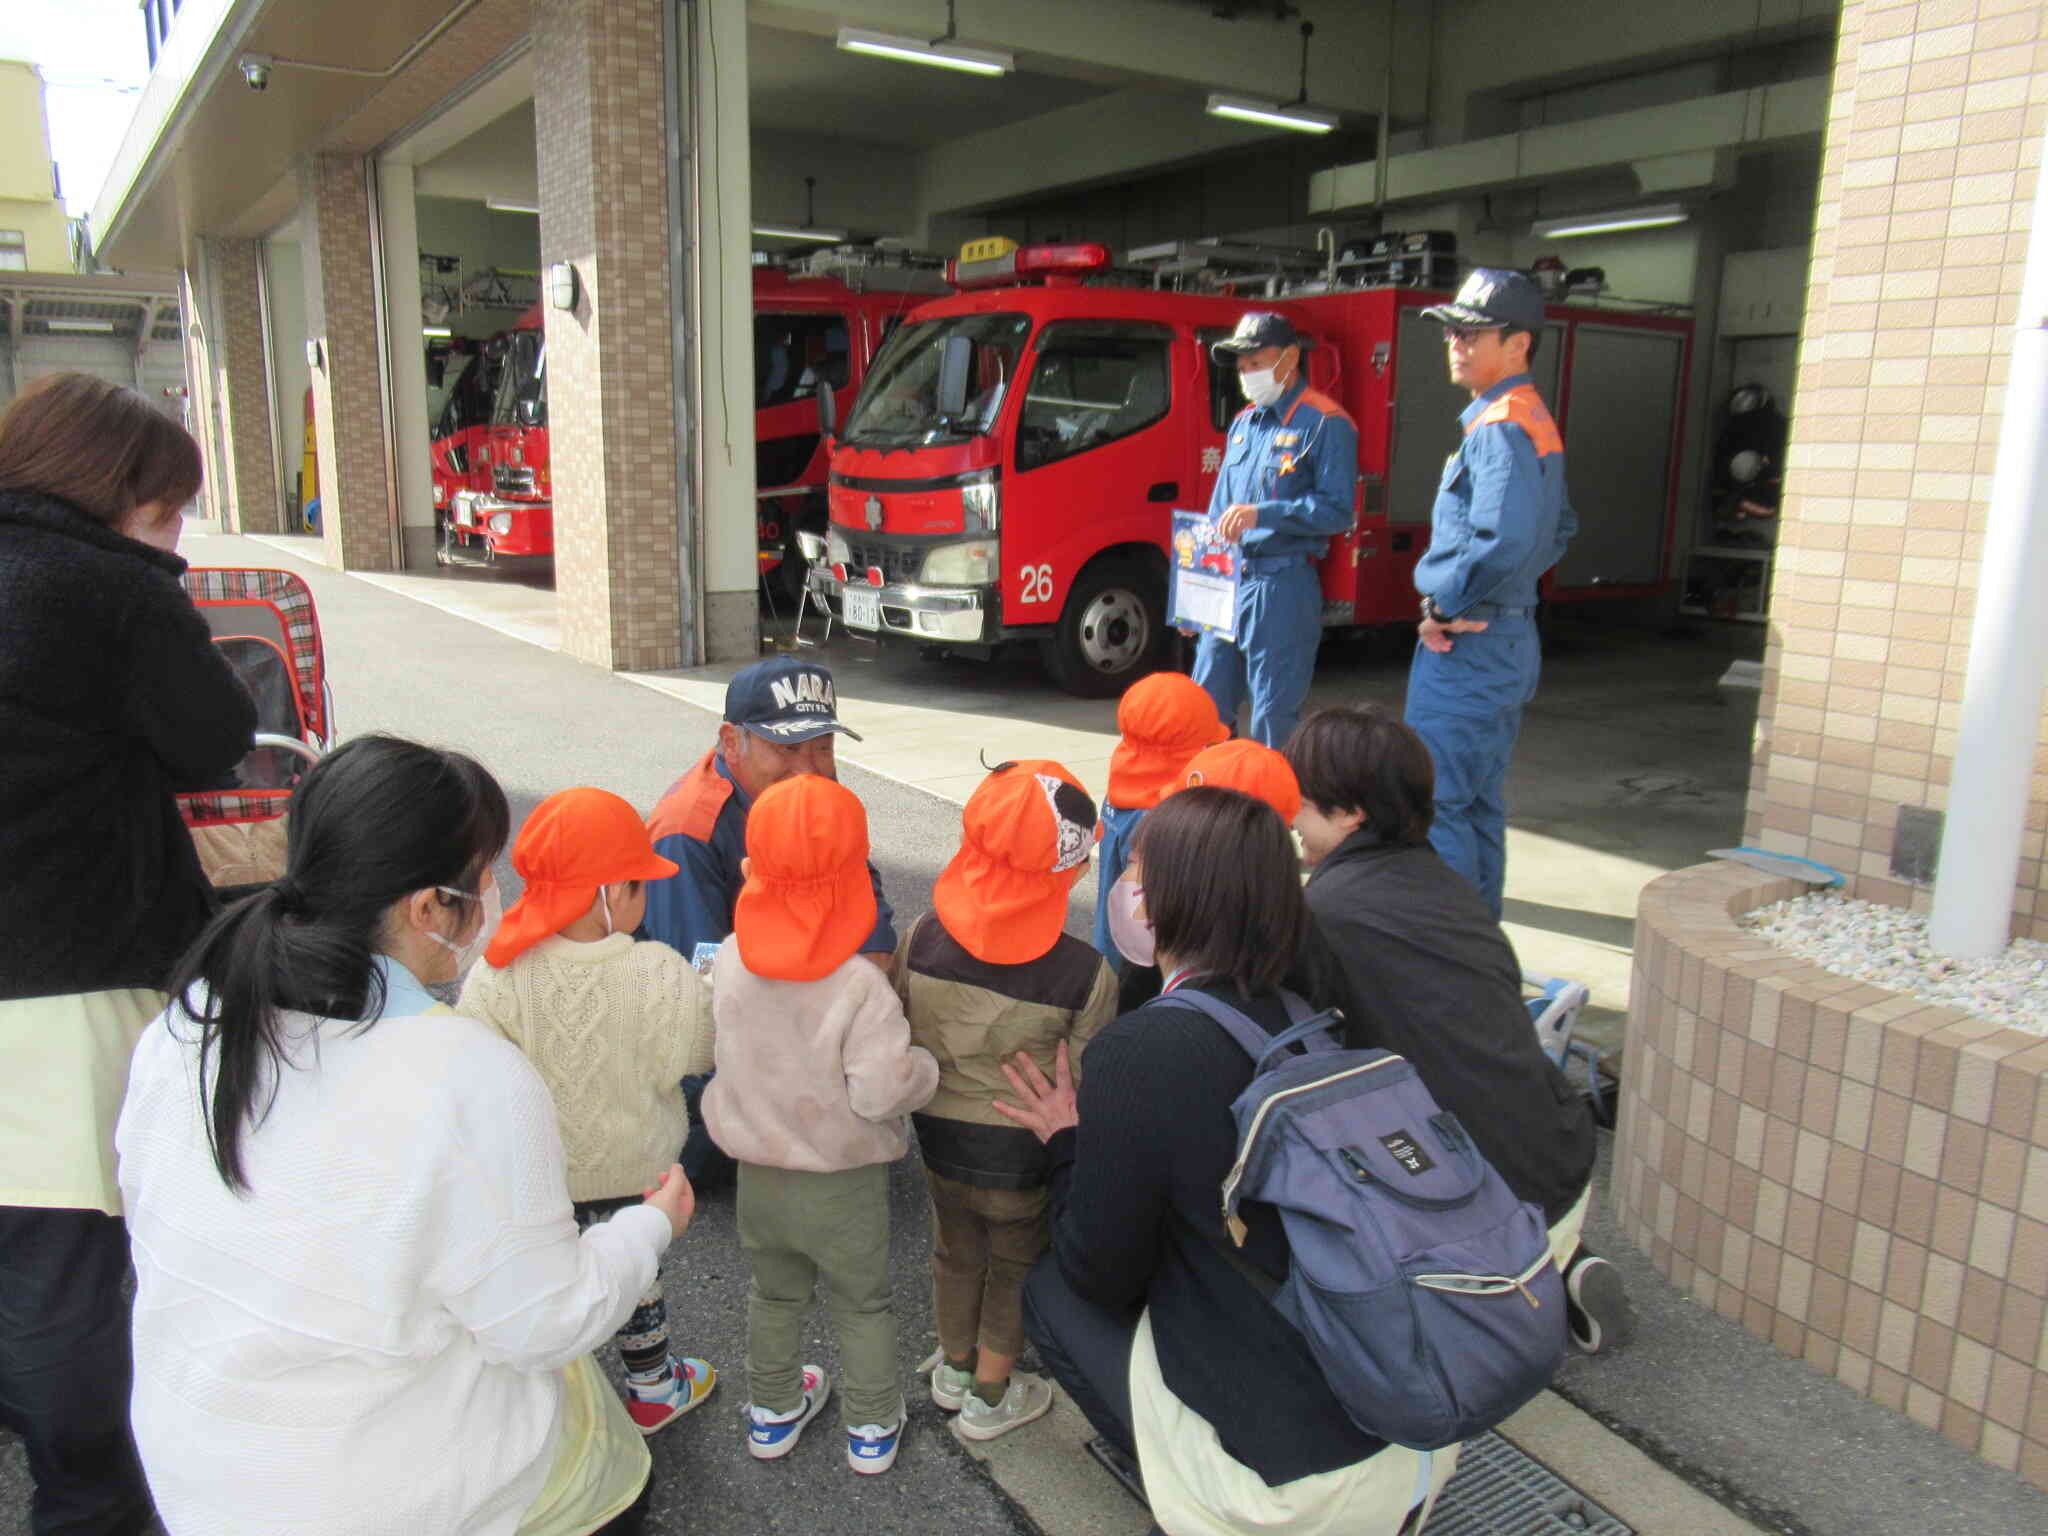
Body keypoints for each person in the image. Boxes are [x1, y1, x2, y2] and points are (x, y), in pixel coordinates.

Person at [115, 736, 695, 1535]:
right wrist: (650, 1226)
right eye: (484, 877)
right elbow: (545, 1322)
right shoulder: (464, 1074)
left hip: (197, 1472)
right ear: (428, 909)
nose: (495, 894)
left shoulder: (191, 1021)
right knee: (608, 1464)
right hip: (391, 1497)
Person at [998, 788, 1457, 1536]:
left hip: (1302, 1486)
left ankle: (1203, 1504)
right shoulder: (1318, 1004)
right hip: (1423, 1428)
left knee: (1051, 1291)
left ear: (1168, 900)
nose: (1127, 888)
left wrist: (1070, 1143)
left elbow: (1098, 1273)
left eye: (1138, 871)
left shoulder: (1143, 1053)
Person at [0, 373, 255, 1535]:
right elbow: (213, 736)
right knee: (69, 1260)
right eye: (166, 514)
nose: (176, 538)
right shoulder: (103, 586)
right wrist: (155, 583)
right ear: (113, 497)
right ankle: (91, 1497)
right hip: (59, 974)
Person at [1286, 704, 1631, 1352]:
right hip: (1559, 1159)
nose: (1291, 819)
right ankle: (1557, 1260)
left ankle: (1489, 1298)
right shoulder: (1447, 886)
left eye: (1302, 802)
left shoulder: (1324, 912)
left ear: (1351, 813)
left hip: (1466, 1203)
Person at [458, 787, 720, 1432]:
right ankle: (654, 1386)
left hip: (537, 1175)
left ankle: (559, 1402)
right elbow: (695, 1055)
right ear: (609, 892)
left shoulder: (497, 974)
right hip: (639, 1174)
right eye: (639, 887)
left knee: (545, 1283)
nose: (646, 899)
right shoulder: (658, 970)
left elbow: (472, 1071)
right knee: (633, 1279)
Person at [700, 774, 938, 1476]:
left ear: (752, 871)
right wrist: (924, 1068)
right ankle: (870, 1425)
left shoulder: (733, 958)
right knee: (862, 1304)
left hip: (758, 1174)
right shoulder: (860, 985)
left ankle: (772, 1411)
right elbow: (879, 1090)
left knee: (774, 1294)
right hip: (844, 1182)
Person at [898, 760, 1118, 1441]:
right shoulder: (1086, 973)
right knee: (1016, 1264)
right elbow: (1083, 1084)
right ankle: (991, 1394)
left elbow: (898, 1030)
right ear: (1071, 871)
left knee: (954, 1251)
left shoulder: (922, 935)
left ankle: (954, 1368)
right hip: (1024, 1157)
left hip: (938, 1142)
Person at [642, 655, 898, 1186]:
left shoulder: (812, 793)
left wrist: (873, 972)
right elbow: (698, 980)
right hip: (713, 1002)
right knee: (719, 1146)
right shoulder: (687, 829)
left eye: (822, 747)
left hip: (784, 973)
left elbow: (858, 880)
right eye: (786, 748)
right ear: (732, 742)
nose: (808, 768)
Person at [1407, 268, 1577, 918]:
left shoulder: (1501, 425)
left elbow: (1502, 541)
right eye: (1453, 331)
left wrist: (1448, 606)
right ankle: (1478, 944)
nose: (1457, 342)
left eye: (1473, 332)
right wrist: (1510, 593)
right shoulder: (1529, 419)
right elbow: (1558, 527)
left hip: (1469, 642)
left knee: (1440, 801)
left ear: (1519, 344)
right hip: (1504, 634)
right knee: (1475, 801)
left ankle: (1451, 953)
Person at [1192, 311, 1357, 750]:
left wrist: (1264, 515)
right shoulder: (1245, 423)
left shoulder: (1325, 422)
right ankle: (1213, 807)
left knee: (1273, 712)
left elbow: (1338, 510)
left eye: (1256, 363)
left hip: (1282, 584)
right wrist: (1194, 595)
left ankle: (1269, 813)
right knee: (1206, 706)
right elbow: (1218, 511)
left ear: (1290, 358)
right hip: (1229, 579)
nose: (1247, 374)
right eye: (1242, 367)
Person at [1091, 672, 1225, 962]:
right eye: (1204, 745)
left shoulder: (1123, 788)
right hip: (1142, 963)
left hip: (1110, 950)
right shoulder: (1163, 823)